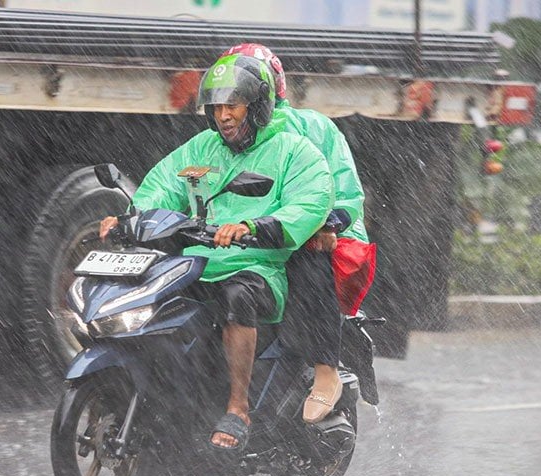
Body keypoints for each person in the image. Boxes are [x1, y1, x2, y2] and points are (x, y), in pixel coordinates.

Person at [99, 54, 333, 451]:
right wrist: (129, 219)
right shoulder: (201, 149)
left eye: (233, 106)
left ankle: (238, 406)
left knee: (236, 296)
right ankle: (173, 398)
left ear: (257, 105)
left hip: (258, 267)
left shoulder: (294, 151)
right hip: (195, 262)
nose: (223, 116)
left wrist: (251, 227)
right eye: (217, 107)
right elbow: (161, 187)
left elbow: (310, 202)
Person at [221, 43, 371, 423]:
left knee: (307, 255)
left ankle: (326, 370)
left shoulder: (311, 127)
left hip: (321, 235)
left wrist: (327, 223)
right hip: (256, 238)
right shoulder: (222, 137)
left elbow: (343, 189)